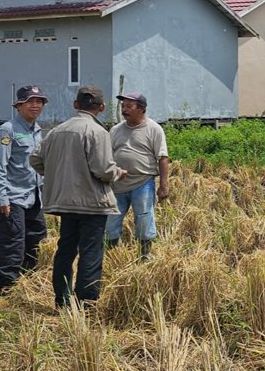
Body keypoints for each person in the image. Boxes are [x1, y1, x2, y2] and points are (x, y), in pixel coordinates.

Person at [30, 86, 126, 308]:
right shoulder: (98, 132)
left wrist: (56, 172)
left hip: (64, 202)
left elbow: (35, 159)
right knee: (91, 252)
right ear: (101, 107)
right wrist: (118, 173)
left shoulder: (56, 130)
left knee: (65, 249)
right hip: (92, 202)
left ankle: (62, 300)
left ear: (75, 105)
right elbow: (103, 170)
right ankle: (86, 302)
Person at [0, 85, 49, 294]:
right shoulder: (8, 130)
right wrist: (0, 198)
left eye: (39, 101)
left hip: (33, 196)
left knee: (36, 238)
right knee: (12, 243)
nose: (35, 105)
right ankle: (3, 288)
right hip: (11, 197)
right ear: (19, 105)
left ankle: (27, 282)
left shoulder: (37, 130)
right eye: (30, 101)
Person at [105, 92, 169, 260]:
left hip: (142, 182)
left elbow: (162, 158)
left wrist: (164, 186)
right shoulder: (116, 130)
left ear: (141, 109)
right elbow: (106, 156)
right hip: (117, 184)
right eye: (123, 106)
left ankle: (145, 255)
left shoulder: (154, 129)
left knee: (144, 218)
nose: (124, 110)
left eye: (129, 106)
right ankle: (114, 256)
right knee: (111, 220)